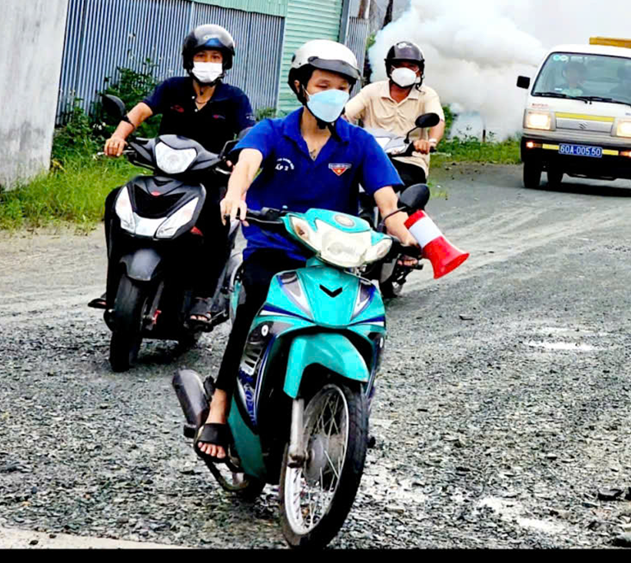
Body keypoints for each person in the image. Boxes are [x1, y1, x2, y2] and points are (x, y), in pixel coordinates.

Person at [194, 39, 419, 462]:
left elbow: (387, 202)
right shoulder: (272, 131)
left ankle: (355, 412)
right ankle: (220, 406)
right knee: (254, 301)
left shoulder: (358, 142)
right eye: (322, 85)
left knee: (366, 319)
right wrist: (235, 195)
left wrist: (403, 233)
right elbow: (246, 164)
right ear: (300, 86)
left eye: (342, 88)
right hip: (275, 250)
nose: (333, 94)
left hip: (336, 259)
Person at [89, 24, 255, 325]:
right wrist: (118, 136)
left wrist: (240, 156)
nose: (207, 62)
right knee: (117, 203)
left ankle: (204, 297)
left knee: (219, 218)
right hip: (165, 176)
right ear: (189, 59)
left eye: (215, 57)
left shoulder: (234, 98)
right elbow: (141, 111)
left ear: (225, 62)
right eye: (201, 56)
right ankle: (115, 284)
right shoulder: (172, 88)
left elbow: (248, 133)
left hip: (210, 180)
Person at [344, 41, 445, 188]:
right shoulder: (371, 91)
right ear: (389, 68)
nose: (405, 70)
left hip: (409, 160)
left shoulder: (426, 95)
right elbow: (346, 114)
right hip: (371, 157)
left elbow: (438, 121)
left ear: (419, 71)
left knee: (402, 190)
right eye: (399, 65)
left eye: (411, 66)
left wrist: (431, 142)